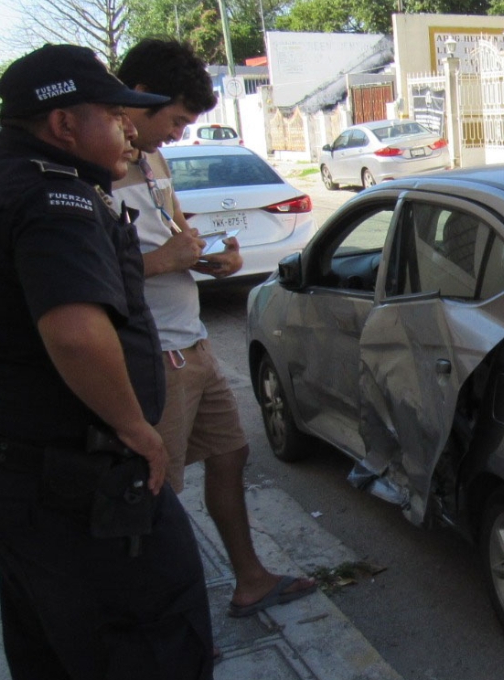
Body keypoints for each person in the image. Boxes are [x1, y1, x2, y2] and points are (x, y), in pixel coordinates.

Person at [0, 44, 215, 678]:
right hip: (76, 482)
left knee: (53, 635)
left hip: (7, 464)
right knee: (151, 631)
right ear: (64, 125)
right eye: (112, 113)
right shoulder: (56, 200)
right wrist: (136, 428)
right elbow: (76, 333)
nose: (126, 127)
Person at [112, 38, 318, 618]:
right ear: (138, 99)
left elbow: (171, 231)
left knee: (230, 453)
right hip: (156, 355)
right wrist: (168, 260)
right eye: (175, 119)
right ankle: (157, 612)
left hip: (194, 342)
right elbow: (94, 275)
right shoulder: (93, 169)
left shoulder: (149, 158)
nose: (177, 135)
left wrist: (207, 258)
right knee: (157, 492)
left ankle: (250, 578)